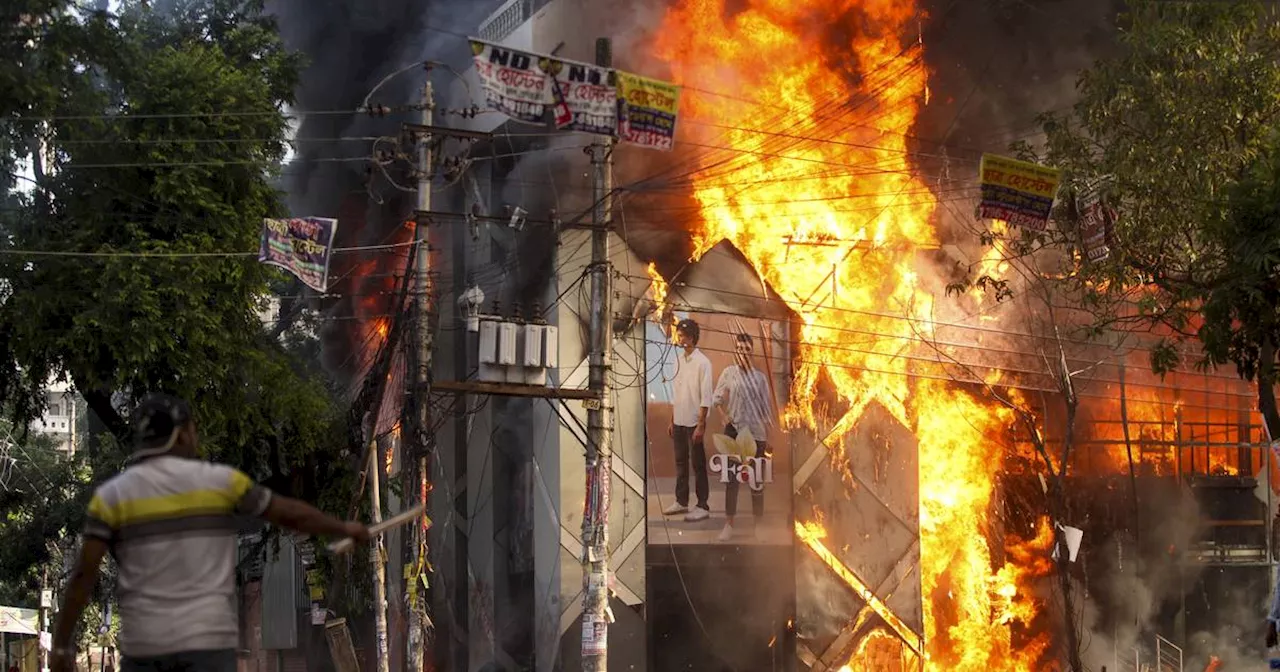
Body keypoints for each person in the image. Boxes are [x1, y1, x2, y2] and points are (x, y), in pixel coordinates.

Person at [51, 394, 371, 672]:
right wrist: (342, 527)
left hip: (145, 647)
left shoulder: (113, 497)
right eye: (191, 429)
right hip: (207, 647)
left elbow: (83, 576)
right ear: (179, 435)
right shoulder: (219, 483)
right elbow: (288, 512)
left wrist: (63, 645)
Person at [712, 332, 773, 542]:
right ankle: (729, 524)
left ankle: (758, 526)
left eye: (747, 349)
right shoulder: (728, 373)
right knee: (731, 480)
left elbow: (766, 409)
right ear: (735, 350)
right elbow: (717, 398)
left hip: (756, 433)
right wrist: (723, 415)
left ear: (751, 351)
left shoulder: (760, 378)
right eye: (740, 348)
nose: (743, 352)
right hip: (734, 432)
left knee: (756, 481)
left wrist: (769, 438)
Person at [664, 318, 713, 522]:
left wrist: (701, 425)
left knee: (698, 465)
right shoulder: (678, 361)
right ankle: (681, 501)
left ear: (692, 337)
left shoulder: (703, 363)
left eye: (683, 335)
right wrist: (672, 419)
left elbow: (706, 396)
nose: (680, 338)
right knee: (681, 463)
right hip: (679, 421)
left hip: (694, 422)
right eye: (679, 334)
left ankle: (703, 505)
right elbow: (678, 393)